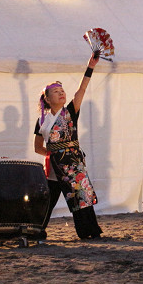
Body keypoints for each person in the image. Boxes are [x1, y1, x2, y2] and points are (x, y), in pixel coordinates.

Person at [34, 51, 103, 240]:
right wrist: (52, 154)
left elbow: (81, 90)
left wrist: (90, 67)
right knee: (48, 198)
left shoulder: (70, 112)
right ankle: (36, 230)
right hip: (55, 164)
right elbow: (37, 147)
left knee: (81, 196)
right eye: (56, 92)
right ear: (47, 99)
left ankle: (90, 231)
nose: (61, 93)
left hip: (72, 162)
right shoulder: (42, 121)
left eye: (62, 90)